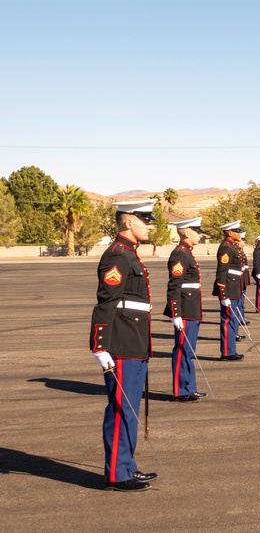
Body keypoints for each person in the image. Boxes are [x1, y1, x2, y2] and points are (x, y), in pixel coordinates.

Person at [89, 199, 158, 491]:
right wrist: (99, 346)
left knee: (129, 408)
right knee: (121, 409)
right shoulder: (118, 255)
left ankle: (127, 466)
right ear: (128, 222)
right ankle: (118, 474)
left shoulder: (130, 254)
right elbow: (106, 302)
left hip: (134, 341)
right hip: (121, 343)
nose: (149, 225)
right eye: (145, 220)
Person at [164, 216, 206, 403]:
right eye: (197, 231)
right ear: (187, 232)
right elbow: (174, 285)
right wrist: (176, 314)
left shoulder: (187, 252)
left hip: (191, 307)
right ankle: (182, 390)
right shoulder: (181, 254)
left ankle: (189, 387)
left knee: (188, 350)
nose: (200, 235)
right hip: (185, 308)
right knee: (182, 349)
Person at [213, 220, 245, 360]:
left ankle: (231, 349)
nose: (239, 233)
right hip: (229, 289)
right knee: (227, 320)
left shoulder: (232, 246)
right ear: (229, 232)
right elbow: (221, 273)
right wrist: (224, 295)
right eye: (237, 231)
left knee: (232, 320)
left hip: (234, 287)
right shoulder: (226, 248)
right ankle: (227, 352)